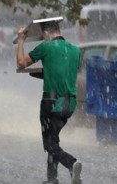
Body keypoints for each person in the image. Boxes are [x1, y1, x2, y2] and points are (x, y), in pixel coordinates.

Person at [16, 20, 82, 184]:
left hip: (51, 102)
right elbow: (63, 73)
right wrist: (46, 73)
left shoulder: (45, 47)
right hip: (70, 104)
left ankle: (71, 163)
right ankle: (52, 179)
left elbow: (21, 63)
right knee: (54, 139)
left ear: (45, 33)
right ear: (59, 29)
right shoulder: (75, 50)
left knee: (49, 145)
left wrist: (21, 40)